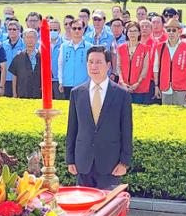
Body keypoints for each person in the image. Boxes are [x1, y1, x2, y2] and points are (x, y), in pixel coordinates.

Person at [65, 46, 133, 189]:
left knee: (108, 208)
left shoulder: (121, 94)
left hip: (111, 164)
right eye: (90, 62)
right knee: (84, 207)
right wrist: (70, 159)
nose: (94, 66)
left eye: (98, 62)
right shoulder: (77, 93)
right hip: (83, 162)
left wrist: (124, 162)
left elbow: (127, 131)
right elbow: (72, 128)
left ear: (108, 65)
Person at [153, 19, 186, 106]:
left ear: (179, 31)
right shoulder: (160, 47)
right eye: (168, 30)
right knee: (166, 115)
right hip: (165, 87)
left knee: (180, 115)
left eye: (174, 30)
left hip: (181, 88)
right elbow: (156, 68)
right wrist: (156, 86)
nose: (171, 33)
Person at [116, 21, 151, 104]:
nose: (132, 34)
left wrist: (138, 83)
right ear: (126, 33)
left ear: (139, 33)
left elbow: (145, 68)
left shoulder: (145, 49)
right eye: (130, 31)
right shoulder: (121, 48)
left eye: (135, 31)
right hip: (123, 86)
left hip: (139, 87)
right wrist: (122, 82)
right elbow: (118, 66)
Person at [58, 19, 92, 99]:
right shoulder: (64, 46)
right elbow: (60, 65)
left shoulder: (89, 47)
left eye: (79, 28)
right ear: (70, 29)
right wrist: (61, 82)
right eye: (74, 28)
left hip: (83, 84)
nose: (77, 31)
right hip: (67, 84)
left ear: (83, 30)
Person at [9, 29, 42, 99]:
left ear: (36, 39)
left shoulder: (42, 57)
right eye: (28, 37)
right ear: (23, 40)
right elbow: (14, 76)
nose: (30, 40)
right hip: (22, 93)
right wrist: (14, 93)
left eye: (32, 37)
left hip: (38, 94)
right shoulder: (18, 56)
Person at [2, 20, 25, 97]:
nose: (12, 31)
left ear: (19, 31)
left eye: (14, 29)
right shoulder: (2, 45)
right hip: (6, 79)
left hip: (20, 80)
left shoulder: (24, 44)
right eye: (9, 29)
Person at [49, 18, 64, 99]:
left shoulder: (64, 44)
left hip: (59, 80)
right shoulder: (42, 44)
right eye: (50, 30)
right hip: (47, 80)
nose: (52, 32)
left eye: (55, 29)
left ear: (59, 30)